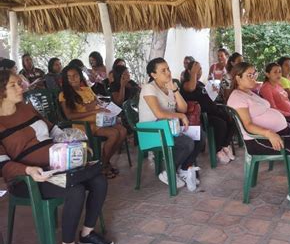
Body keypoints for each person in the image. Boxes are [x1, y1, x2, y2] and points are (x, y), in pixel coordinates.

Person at [0, 70, 113, 244]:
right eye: (14, 85)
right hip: (29, 178)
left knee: (99, 180)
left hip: (57, 165)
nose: (21, 87)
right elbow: (3, 164)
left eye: (20, 83)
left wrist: (75, 144)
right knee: (75, 189)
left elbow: (53, 130)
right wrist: (28, 171)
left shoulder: (27, 109)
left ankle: (87, 233)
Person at [227, 62, 290, 209]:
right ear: (238, 78)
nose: (253, 78)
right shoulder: (237, 97)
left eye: (254, 74)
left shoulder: (249, 92)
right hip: (258, 140)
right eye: (249, 75)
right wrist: (269, 133)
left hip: (277, 132)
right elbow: (247, 125)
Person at [139, 58, 204, 191]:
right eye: (163, 70)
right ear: (153, 74)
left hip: (169, 128)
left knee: (200, 136)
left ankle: (184, 169)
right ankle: (169, 172)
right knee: (187, 143)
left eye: (168, 69)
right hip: (152, 131)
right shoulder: (149, 88)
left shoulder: (170, 87)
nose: (168, 72)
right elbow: (159, 114)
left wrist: (174, 90)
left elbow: (183, 108)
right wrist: (180, 116)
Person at [59, 65, 127, 179]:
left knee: (123, 130)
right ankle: (102, 166)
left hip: (99, 121)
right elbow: (70, 116)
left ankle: (105, 162)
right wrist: (93, 110)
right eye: (69, 77)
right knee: (114, 134)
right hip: (84, 125)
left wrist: (105, 108)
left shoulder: (86, 89)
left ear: (80, 76)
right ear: (65, 79)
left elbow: (97, 102)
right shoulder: (64, 95)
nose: (72, 79)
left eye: (75, 75)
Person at [181, 60, 235, 164]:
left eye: (200, 69)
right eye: (197, 69)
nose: (199, 71)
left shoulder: (200, 83)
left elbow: (208, 97)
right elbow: (191, 88)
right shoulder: (186, 84)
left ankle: (224, 145)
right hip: (202, 115)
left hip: (212, 110)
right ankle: (218, 150)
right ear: (189, 71)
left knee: (231, 119)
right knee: (221, 124)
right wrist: (194, 73)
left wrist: (214, 91)